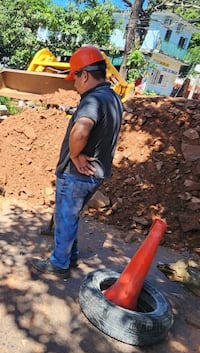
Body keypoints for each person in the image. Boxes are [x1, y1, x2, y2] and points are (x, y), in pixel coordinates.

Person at [30, 46, 124, 280]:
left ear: (85, 75)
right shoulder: (113, 97)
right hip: (97, 173)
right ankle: (69, 256)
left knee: (65, 216)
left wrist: (73, 155)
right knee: (70, 216)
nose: (74, 85)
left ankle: (59, 264)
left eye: (76, 78)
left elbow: (81, 131)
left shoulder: (92, 99)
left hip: (78, 173)